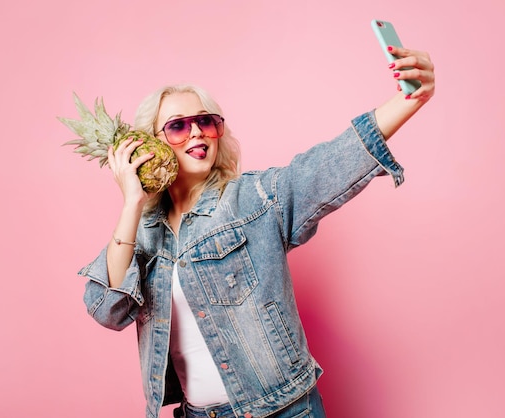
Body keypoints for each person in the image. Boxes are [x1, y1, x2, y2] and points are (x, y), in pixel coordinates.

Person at [79, 45, 435, 418]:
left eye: (206, 121)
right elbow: (109, 310)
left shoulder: (253, 198)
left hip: (282, 410)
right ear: (151, 142)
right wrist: (132, 203)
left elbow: (329, 164)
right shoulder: (145, 233)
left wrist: (409, 99)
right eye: (178, 125)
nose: (197, 132)